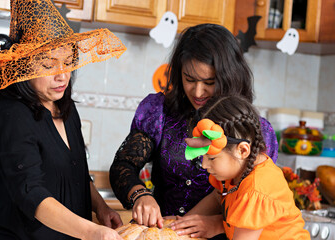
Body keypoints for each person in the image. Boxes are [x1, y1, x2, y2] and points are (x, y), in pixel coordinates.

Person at [109, 23, 278, 237]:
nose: (198, 92)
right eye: (189, 79)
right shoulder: (159, 111)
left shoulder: (255, 131)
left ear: (229, 77)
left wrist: (215, 223)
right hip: (164, 233)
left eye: (209, 82)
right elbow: (124, 165)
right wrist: (141, 195)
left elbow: (254, 204)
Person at [0, 0, 126, 239]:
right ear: (22, 66)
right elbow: (30, 192)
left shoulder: (65, 108)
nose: (62, 75)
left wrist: (101, 207)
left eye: (68, 62)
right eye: (48, 64)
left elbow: (77, 173)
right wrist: (92, 232)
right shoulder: (11, 114)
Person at [172, 95, 310, 240]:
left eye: (211, 158)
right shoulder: (235, 172)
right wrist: (182, 226)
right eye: (203, 157)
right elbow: (217, 197)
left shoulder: (256, 188)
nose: (205, 165)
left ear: (242, 150)